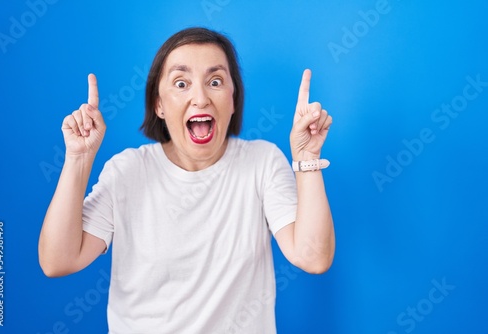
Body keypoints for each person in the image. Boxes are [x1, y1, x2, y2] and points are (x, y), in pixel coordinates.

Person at [38, 27, 335, 333]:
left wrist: (306, 155)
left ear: (233, 99)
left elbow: (313, 257)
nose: (200, 98)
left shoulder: (262, 163)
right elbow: (58, 260)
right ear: (159, 104)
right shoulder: (127, 171)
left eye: (215, 81)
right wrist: (79, 159)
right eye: (181, 83)